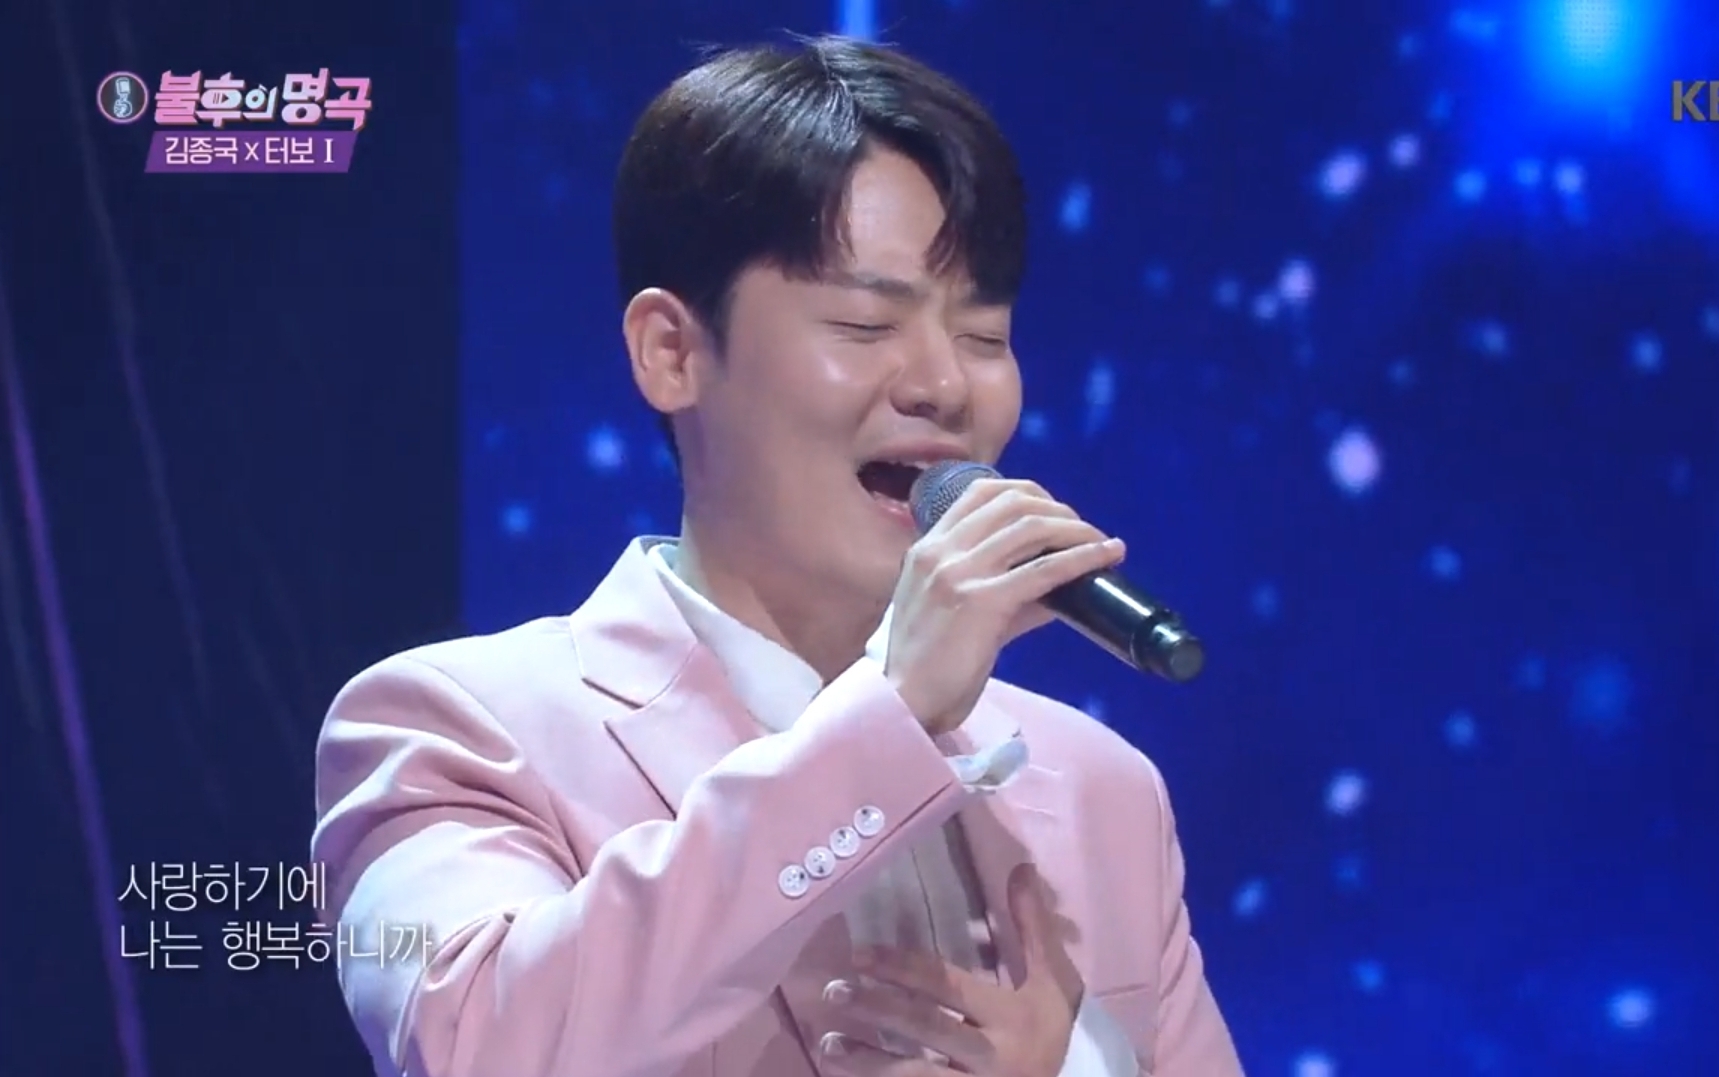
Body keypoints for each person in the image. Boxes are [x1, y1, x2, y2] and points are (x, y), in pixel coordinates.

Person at [312, 35, 1245, 1077]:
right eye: (864, 322)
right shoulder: (451, 729)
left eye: (984, 336)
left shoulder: (1100, 789)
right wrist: (888, 714)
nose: (943, 385)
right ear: (671, 350)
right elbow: (481, 1045)